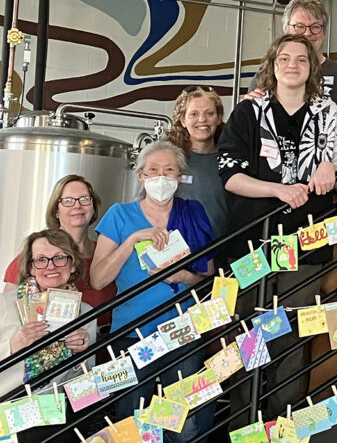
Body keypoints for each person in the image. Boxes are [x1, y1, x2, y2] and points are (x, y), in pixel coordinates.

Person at [219, 33, 337, 421]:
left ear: (313, 68)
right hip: (250, 243)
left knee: (293, 333)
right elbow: (230, 176)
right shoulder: (248, 112)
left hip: (307, 242)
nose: (292, 64)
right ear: (272, 65)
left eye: (301, 58)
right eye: (284, 58)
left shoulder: (330, 115)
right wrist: (278, 190)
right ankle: (244, 420)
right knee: (248, 333)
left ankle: (283, 423)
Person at [90, 141, 214, 442]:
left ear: (179, 177)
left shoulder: (192, 212)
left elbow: (208, 272)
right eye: (154, 170)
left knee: (183, 425)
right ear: (140, 175)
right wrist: (132, 239)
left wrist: (185, 276)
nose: (162, 177)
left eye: (170, 170)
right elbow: (97, 279)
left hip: (182, 330)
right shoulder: (120, 215)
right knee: (131, 420)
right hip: (132, 332)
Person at [247, 0, 337, 173]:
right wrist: (247, 107)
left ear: (324, 32)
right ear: (286, 30)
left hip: (333, 180)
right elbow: (250, 129)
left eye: (315, 27)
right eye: (299, 26)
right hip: (274, 179)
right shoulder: (266, 75)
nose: (307, 33)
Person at [0, 229, 96, 442]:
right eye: (41, 260)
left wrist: (79, 355)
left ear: (72, 265)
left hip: (53, 410)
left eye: (60, 258)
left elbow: (84, 385)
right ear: (31, 268)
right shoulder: (4, 305)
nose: (51, 266)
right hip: (7, 408)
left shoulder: (86, 313)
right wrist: (12, 347)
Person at [3, 175, 116, 328]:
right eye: (68, 201)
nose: (77, 206)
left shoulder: (108, 254)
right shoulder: (35, 255)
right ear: (56, 211)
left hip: (106, 344)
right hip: (49, 346)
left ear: (93, 207)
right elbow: (7, 315)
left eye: (84, 199)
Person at [165, 86, 228, 239]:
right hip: (176, 253)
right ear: (183, 120)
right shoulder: (169, 160)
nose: (202, 120)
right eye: (194, 114)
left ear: (219, 118)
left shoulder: (231, 160)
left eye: (209, 113)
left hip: (222, 250)